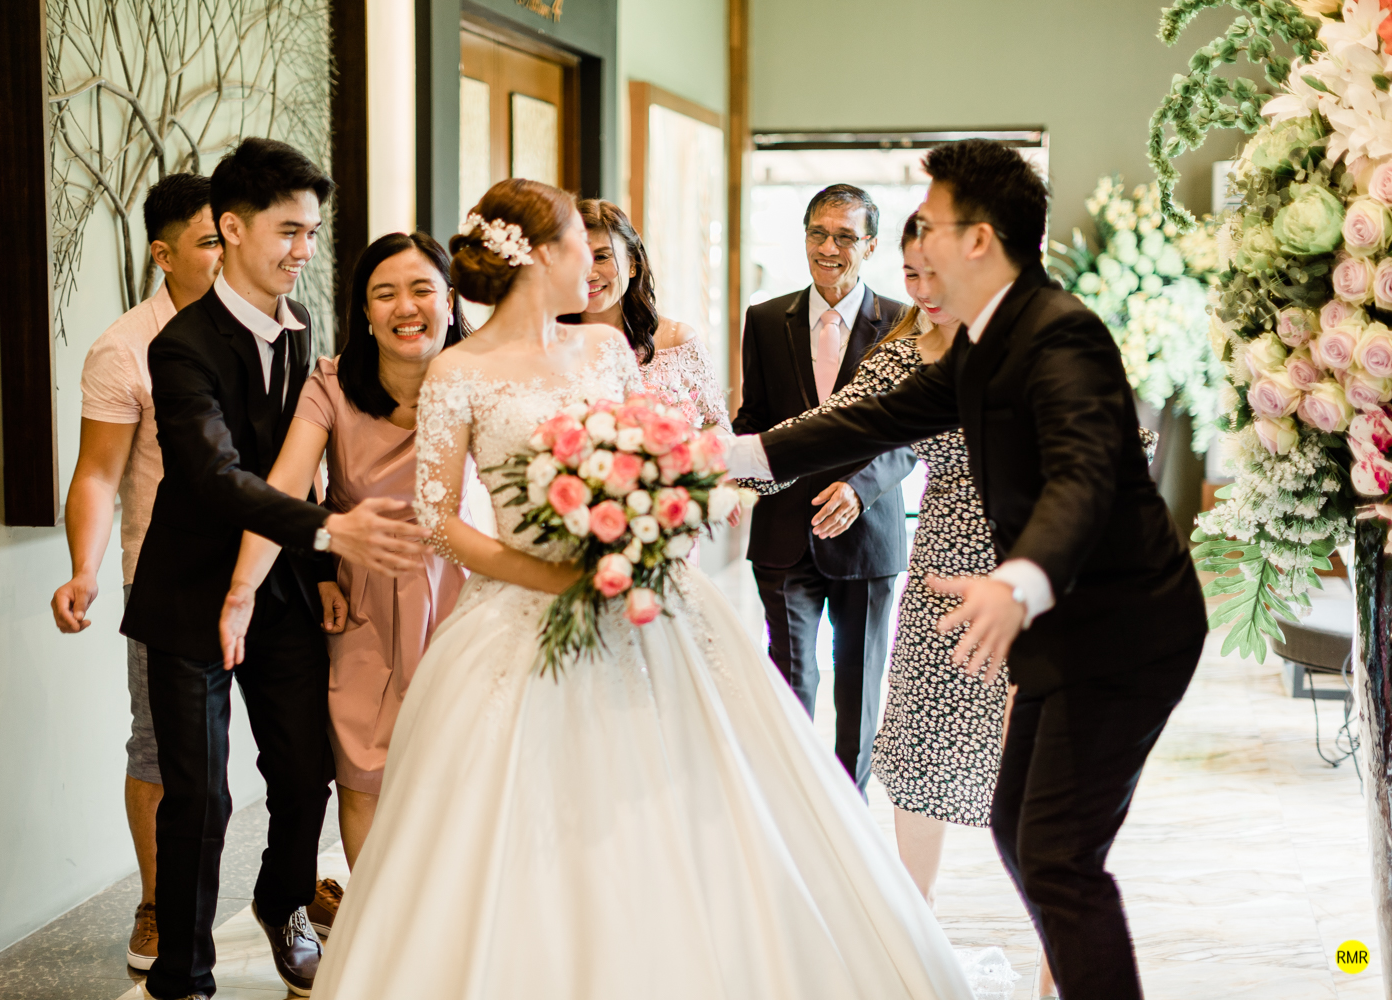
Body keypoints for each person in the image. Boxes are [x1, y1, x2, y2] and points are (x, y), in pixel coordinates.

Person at [310, 177, 975, 1000]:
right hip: (519, 614)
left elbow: (657, 459)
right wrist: (556, 574)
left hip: (644, 599)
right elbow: (439, 520)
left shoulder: (605, 351)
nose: (589, 265)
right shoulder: (457, 371)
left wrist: (654, 525)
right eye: (574, 247)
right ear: (539, 257)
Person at [726, 140, 1208, 1000]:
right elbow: (861, 420)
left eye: (933, 222)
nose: (918, 240)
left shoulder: (1061, 334)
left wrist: (1017, 582)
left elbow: (1083, 479)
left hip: (1121, 630)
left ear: (978, 239)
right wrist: (723, 456)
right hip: (1052, 622)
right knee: (1024, 833)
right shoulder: (980, 344)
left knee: (1058, 857)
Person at [120, 138, 431, 1000]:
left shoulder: (301, 333)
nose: (304, 250)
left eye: (312, 232)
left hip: (285, 591)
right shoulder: (180, 348)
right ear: (231, 228)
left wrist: (319, 567)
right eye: (289, 231)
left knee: (303, 773)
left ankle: (283, 901)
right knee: (200, 795)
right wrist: (333, 534)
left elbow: (306, 462)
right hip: (188, 595)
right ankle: (184, 976)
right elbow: (215, 478)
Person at [218, 232, 469, 884]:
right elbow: (282, 491)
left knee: (466, 769)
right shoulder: (329, 386)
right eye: (385, 294)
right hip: (365, 598)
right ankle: (385, 924)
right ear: (364, 311)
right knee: (364, 773)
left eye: (421, 289)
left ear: (450, 300)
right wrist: (243, 590)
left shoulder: (485, 379)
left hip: (467, 594)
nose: (405, 307)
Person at [49, 173, 223, 972]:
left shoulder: (276, 323)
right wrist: (83, 569)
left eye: (230, 236)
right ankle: (157, 904)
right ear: (163, 254)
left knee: (298, 746)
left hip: (269, 568)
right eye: (209, 241)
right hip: (168, 578)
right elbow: (97, 473)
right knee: (160, 748)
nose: (226, 254)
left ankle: (288, 891)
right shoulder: (125, 348)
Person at [730, 183, 917, 796]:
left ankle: (849, 815)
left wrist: (860, 489)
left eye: (845, 237)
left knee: (858, 688)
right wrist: (725, 465)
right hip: (784, 533)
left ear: (871, 245)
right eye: (818, 233)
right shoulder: (765, 319)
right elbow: (754, 419)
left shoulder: (906, 323)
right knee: (790, 680)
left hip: (868, 535)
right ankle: (792, 808)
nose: (828, 248)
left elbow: (916, 433)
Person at [561, 199, 729, 428]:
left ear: (632, 264)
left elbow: (719, 428)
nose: (589, 274)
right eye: (577, 260)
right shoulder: (548, 345)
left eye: (601, 257)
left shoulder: (677, 341)